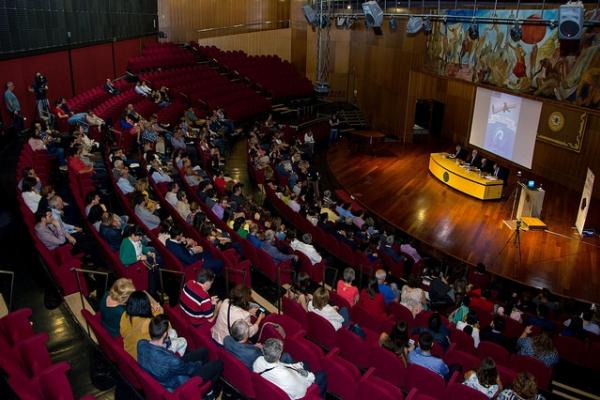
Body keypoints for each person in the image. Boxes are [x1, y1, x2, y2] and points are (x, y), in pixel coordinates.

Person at [137, 315, 223, 399]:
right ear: (165, 334)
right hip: (178, 383)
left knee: (203, 351)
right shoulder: (173, 361)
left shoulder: (141, 344)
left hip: (166, 371)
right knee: (218, 364)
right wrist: (199, 365)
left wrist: (166, 343)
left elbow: (161, 351)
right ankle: (208, 393)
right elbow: (189, 369)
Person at [253, 338, 323, 399]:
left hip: (276, 379)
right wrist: (308, 375)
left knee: (304, 363)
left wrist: (295, 367)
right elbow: (302, 390)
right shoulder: (285, 375)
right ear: (279, 355)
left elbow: (281, 365)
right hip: (299, 390)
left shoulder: (258, 361)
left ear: (263, 350)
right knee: (322, 375)